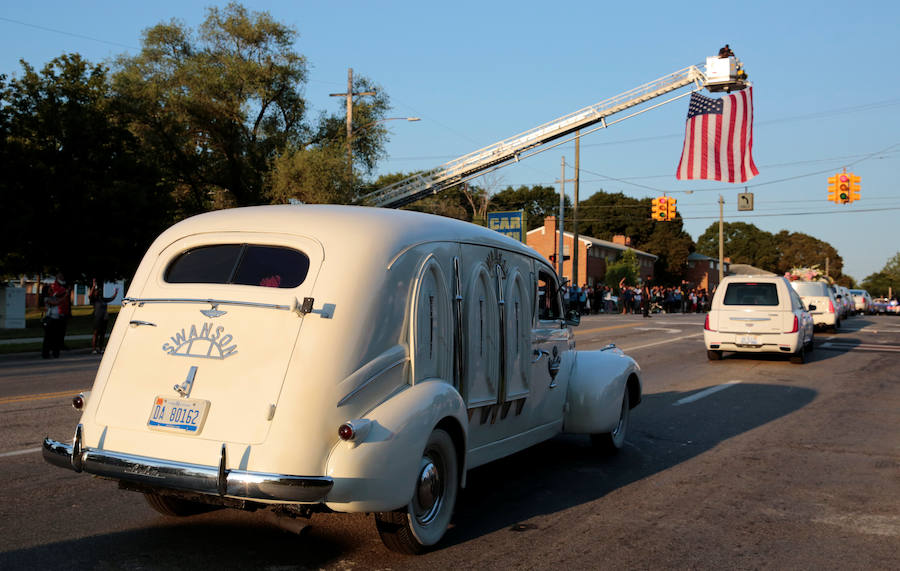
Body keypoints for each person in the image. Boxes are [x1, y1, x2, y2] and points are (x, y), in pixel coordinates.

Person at [41, 273, 70, 359]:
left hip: (57, 319)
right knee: (48, 338)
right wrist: (66, 295)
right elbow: (57, 303)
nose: (51, 290)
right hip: (50, 320)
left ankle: (55, 353)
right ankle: (45, 354)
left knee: (56, 338)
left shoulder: (53, 296)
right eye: (50, 289)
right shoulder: (47, 299)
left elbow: (58, 297)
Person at [89, 279, 119, 354]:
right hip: (97, 318)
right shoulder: (94, 300)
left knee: (102, 334)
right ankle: (94, 349)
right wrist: (93, 286)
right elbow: (90, 295)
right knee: (96, 333)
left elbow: (111, 298)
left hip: (104, 318)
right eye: (97, 291)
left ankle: (101, 348)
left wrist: (115, 293)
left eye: (99, 291)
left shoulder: (103, 299)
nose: (98, 292)